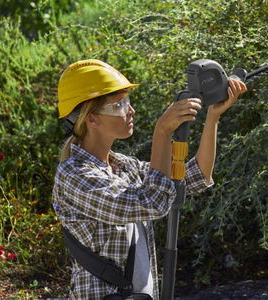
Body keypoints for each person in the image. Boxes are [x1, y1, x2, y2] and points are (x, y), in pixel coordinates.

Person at [52, 59, 247, 300]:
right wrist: (162, 131)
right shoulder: (76, 176)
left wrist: (213, 117)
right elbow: (152, 202)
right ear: (91, 119)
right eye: (119, 104)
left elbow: (195, 176)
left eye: (128, 100)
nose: (130, 110)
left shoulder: (122, 166)